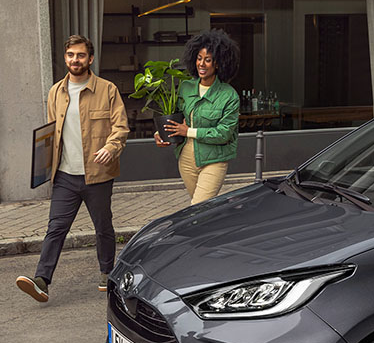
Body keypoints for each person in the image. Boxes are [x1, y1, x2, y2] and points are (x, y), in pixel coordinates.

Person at [16, 35, 130, 302]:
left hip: (98, 175)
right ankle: (41, 280)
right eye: (70, 55)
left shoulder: (107, 89)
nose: (75, 60)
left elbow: (121, 127)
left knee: (103, 227)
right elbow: (50, 132)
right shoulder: (55, 91)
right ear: (65, 58)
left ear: (90, 59)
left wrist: (111, 148)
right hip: (65, 175)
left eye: (80, 55)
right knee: (56, 227)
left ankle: (106, 271)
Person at [154, 29, 241, 204]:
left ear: (218, 64)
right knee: (200, 211)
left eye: (208, 60)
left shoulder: (228, 96)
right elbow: (176, 118)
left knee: (198, 206)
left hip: (214, 161)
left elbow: (224, 134)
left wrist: (188, 132)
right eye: (199, 58)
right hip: (186, 159)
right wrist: (161, 134)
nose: (202, 64)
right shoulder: (186, 88)